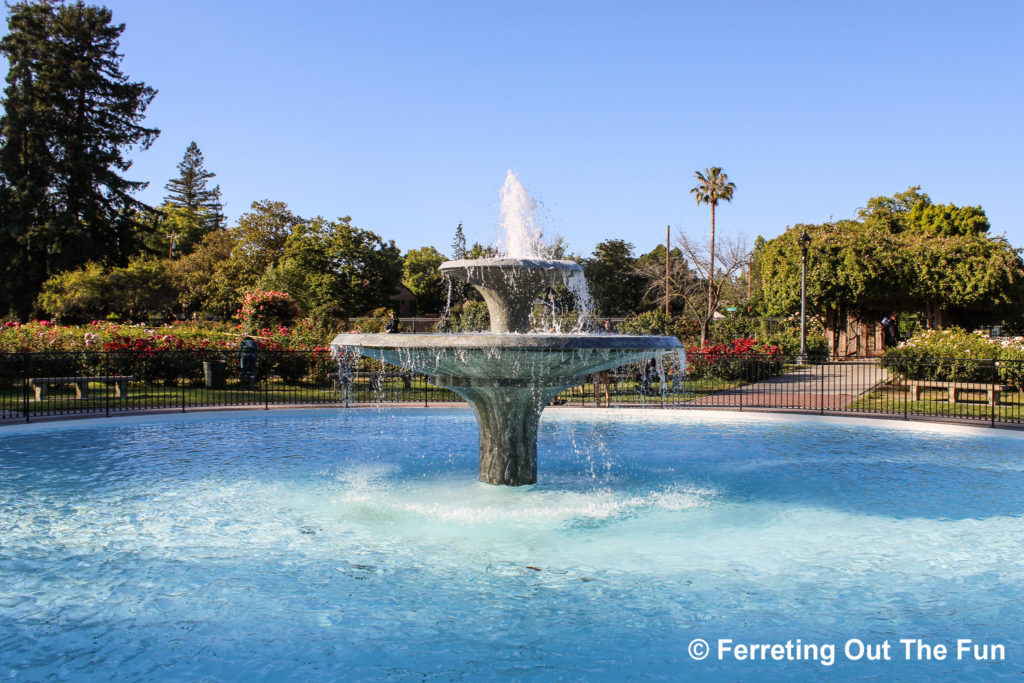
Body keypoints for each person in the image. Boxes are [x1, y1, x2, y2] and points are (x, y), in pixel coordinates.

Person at [594, 319, 614, 407]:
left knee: (604, 381)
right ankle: (598, 400)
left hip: (602, 360)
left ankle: (607, 400)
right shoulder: (599, 336)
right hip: (598, 360)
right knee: (597, 381)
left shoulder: (608, 335)